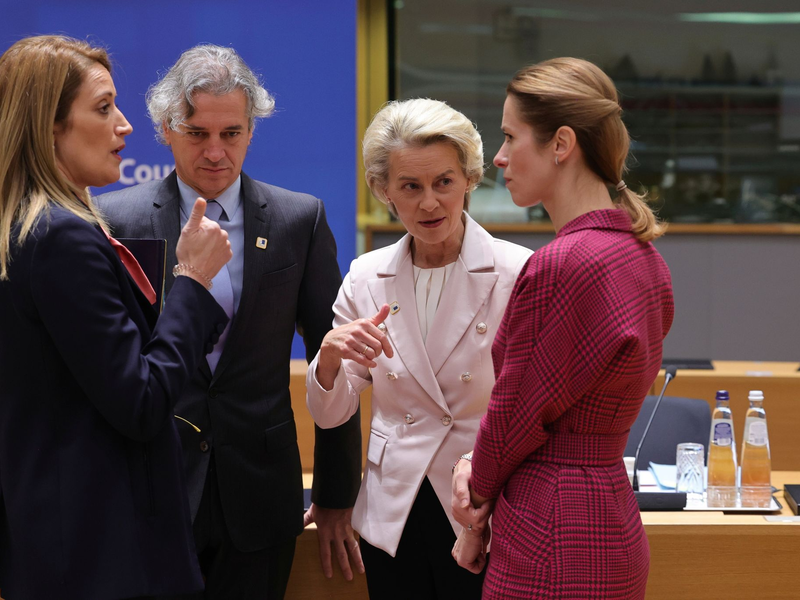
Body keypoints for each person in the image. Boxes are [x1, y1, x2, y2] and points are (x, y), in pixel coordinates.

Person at [95, 44, 362, 599]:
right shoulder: (115, 220)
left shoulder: (298, 219)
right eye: (197, 133)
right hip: (152, 490)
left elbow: (331, 357)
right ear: (167, 129)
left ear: (250, 130)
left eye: (232, 133)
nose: (216, 151)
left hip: (261, 497)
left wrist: (337, 494)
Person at [0, 35, 232, 599]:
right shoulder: (61, 239)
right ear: (48, 126)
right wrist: (194, 281)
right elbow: (142, 400)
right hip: (101, 556)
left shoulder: (28, 232)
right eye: (103, 108)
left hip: (62, 544)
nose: (125, 125)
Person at [450, 57, 675, 599]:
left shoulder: (564, 264)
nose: (499, 157)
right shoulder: (642, 256)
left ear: (561, 143)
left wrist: (473, 484)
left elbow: (514, 414)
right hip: (610, 515)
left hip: (551, 527)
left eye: (509, 136)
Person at [305, 98, 533, 599]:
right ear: (383, 190)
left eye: (443, 183)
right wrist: (329, 357)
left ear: (470, 179)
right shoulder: (366, 276)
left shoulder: (517, 272)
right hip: (395, 505)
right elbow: (332, 413)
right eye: (411, 186)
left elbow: (531, 404)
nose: (429, 203)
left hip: (480, 501)